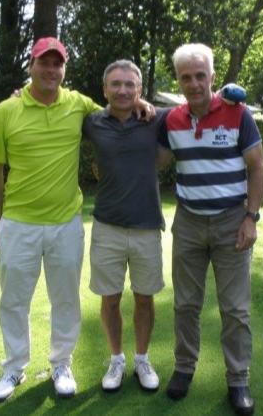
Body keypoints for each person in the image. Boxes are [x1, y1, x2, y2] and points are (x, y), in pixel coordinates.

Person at [0, 38, 153, 403]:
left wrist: (139, 100)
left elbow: (115, 107)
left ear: (64, 70)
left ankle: (61, 364)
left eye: (57, 64)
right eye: (44, 62)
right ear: (31, 66)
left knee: (66, 300)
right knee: (13, 300)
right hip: (18, 223)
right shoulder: (5, 111)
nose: (51, 70)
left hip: (65, 224)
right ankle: (14, 366)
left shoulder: (78, 105)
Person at [157, 43, 263, 416]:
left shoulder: (238, 113)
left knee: (235, 308)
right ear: (179, 80)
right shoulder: (170, 120)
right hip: (187, 221)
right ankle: (184, 369)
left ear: (213, 78)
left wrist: (251, 217)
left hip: (230, 221)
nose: (194, 83)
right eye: (186, 77)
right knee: (185, 303)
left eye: (200, 75)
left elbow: (257, 168)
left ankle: (238, 380)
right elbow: (154, 160)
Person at [81, 60, 169, 393]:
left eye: (130, 85)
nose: (122, 90)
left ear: (140, 90)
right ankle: (116, 360)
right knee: (110, 301)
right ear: (104, 90)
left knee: (145, 300)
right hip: (107, 227)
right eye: (115, 84)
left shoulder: (155, 118)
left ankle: (142, 359)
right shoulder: (90, 122)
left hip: (147, 226)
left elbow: (195, 107)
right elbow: (55, 104)